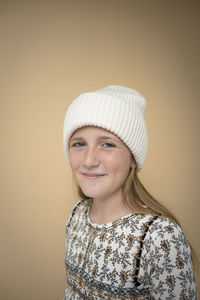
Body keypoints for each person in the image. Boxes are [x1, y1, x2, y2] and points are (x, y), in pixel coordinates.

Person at [63, 85, 198, 299]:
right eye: (79, 144)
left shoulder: (160, 238)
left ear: (133, 158)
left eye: (107, 144)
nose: (89, 161)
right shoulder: (77, 215)